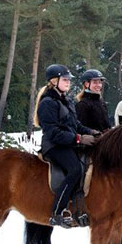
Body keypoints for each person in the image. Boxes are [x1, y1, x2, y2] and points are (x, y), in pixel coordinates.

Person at [34, 64, 99, 228]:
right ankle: (56, 212)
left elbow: (76, 124)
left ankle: (80, 207)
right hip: (54, 145)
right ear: (53, 81)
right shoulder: (47, 103)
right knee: (75, 169)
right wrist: (79, 139)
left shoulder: (67, 100)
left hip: (69, 143)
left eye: (69, 79)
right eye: (65, 79)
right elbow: (53, 133)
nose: (68, 82)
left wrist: (92, 132)